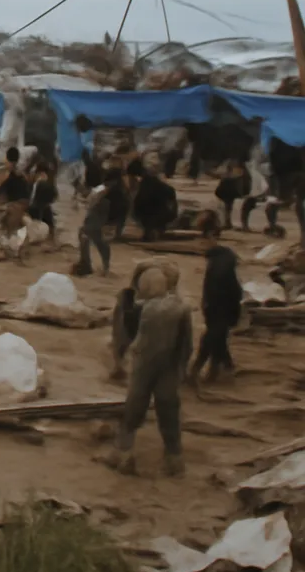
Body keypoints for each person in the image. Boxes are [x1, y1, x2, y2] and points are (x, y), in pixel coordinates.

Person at [107, 266, 193, 477]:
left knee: (134, 410)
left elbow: (126, 334)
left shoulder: (142, 309)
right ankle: (174, 460)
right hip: (170, 368)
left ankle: (124, 455)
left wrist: (120, 360)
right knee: (169, 411)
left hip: (144, 367)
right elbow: (187, 344)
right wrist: (182, 367)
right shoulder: (181, 308)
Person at [191, 241, 241, 384]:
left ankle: (202, 370)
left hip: (218, 312)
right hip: (223, 313)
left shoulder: (216, 271)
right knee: (218, 341)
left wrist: (207, 310)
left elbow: (211, 295)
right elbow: (236, 294)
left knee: (210, 341)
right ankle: (225, 367)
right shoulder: (226, 270)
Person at [73, 183, 113, 276]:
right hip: (97, 216)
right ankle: (94, 265)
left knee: (90, 237)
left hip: (97, 216)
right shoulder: (97, 192)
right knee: (95, 239)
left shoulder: (98, 193)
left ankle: (87, 264)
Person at [28, 163, 58, 239]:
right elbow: (55, 196)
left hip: (34, 210)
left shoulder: (37, 183)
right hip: (43, 210)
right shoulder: (48, 183)